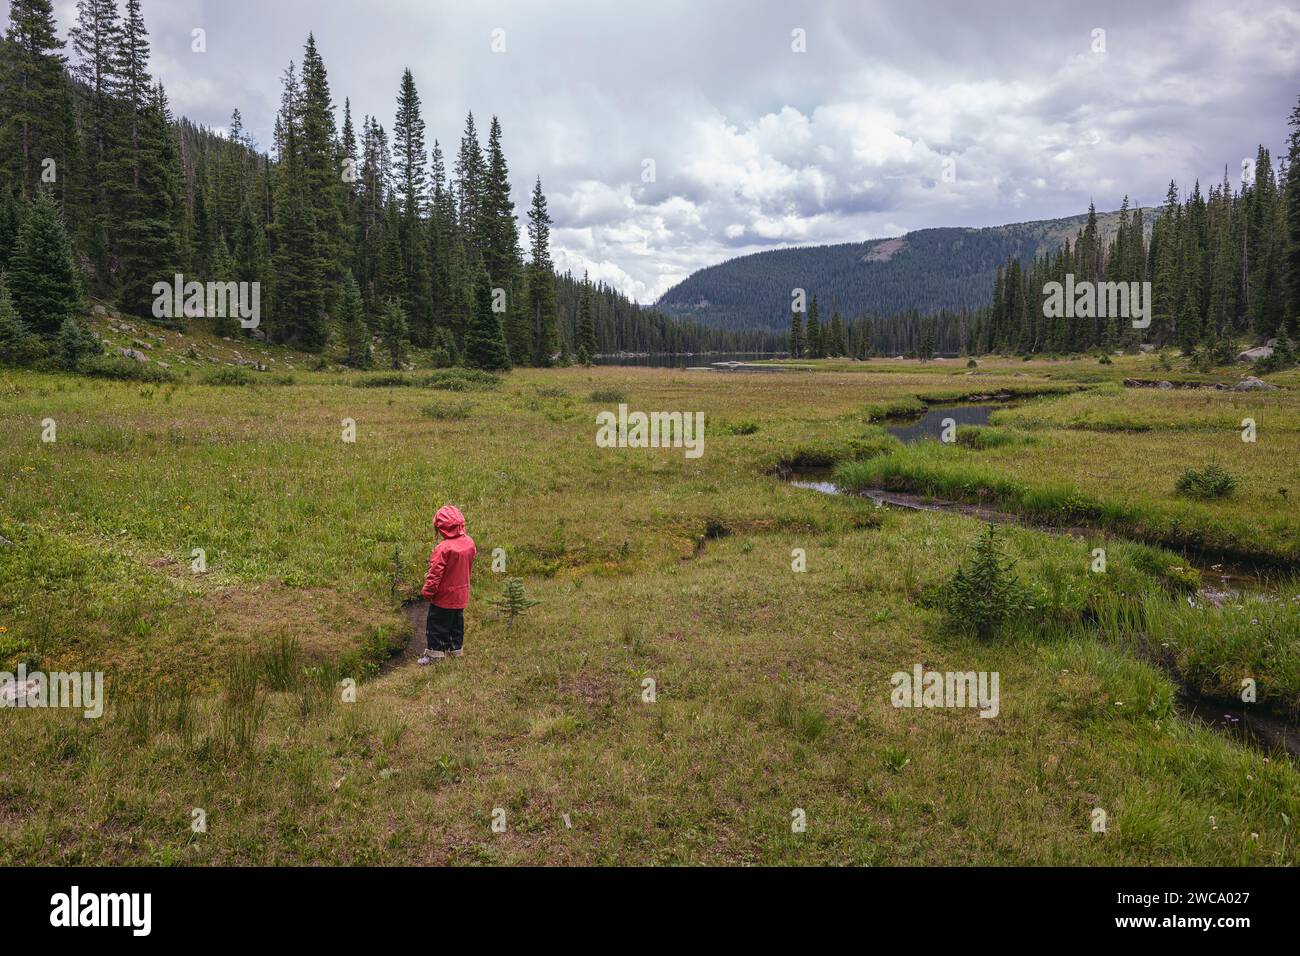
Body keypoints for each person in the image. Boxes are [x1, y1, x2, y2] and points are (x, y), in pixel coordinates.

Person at [418, 505, 476, 664]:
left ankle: (434, 655)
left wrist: (427, 592)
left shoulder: (443, 548)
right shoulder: (469, 543)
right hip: (461, 594)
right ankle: (455, 651)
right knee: (456, 624)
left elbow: (435, 574)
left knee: (437, 626)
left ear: (441, 528)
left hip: (444, 597)